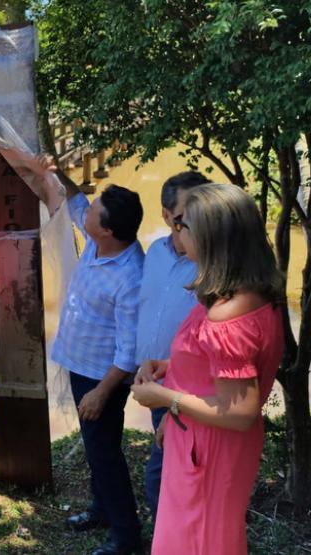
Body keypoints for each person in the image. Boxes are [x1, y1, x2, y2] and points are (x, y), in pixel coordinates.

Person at [131, 184, 285, 555]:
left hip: (208, 448)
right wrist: (172, 366)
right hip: (200, 438)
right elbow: (217, 367)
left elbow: (239, 412)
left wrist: (163, 397)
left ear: (211, 237)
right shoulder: (247, 291)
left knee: (198, 540)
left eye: (183, 225)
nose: (176, 231)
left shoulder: (227, 315)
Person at [50, 165, 145, 555]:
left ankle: (126, 536)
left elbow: (130, 351)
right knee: (96, 448)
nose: (86, 210)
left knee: (105, 455)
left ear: (107, 229)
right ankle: (101, 509)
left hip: (100, 377)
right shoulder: (98, 242)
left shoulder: (130, 276)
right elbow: (75, 201)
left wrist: (102, 393)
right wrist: (57, 170)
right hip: (81, 364)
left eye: (95, 209)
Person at [135, 171, 210, 519]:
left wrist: (176, 404)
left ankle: (175, 538)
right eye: (185, 215)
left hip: (193, 395)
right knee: (171, 478)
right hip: (157, 383)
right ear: (166, 216)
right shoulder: (154, 253)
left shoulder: (213, 266)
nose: (197, 221)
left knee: (164, 480)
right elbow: (148, 309)